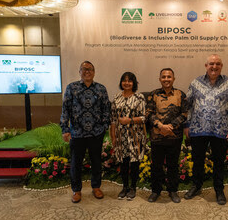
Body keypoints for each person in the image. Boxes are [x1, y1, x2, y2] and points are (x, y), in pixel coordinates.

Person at [184, 54, 228, 205]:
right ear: (206, 66)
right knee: (197, 161)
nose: (214, 67)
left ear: (221, 66)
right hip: (198, 129)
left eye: (217, 64)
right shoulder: (195, 83)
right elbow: (187, 105)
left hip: (221, 131)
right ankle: (196, 186)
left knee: (219, 163)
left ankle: (219, 190)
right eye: (211, 64)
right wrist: (187, 125)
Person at [60, 61, 111, 203]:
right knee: (76, 163)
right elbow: (65, 110)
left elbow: (106, 109)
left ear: (94, 72)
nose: (87, 71)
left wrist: (105, 125)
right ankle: (76, 190)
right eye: (84, 69)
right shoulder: (72, 88)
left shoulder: (101, 89)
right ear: (79, 71)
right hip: (77, 133)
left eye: (90, 69)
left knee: (96, 161)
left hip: (96, 133)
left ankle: (96, 187)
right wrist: (65, 129)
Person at [146, 68, 188, 203]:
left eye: (169, 77)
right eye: (163, 77)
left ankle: (173, 190)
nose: (166, 79)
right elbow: (149, 114)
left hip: (174, 137)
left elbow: (185, 114)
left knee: (173, 165)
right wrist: (160, 126)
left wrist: (171, 126)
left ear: (173, 79)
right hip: (157, 137)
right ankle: (155, 191)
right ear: (160, 79)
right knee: (156, 166)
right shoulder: (153, 94)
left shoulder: (180, 94)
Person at [110, 72, 147, 201]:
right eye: (124, 80)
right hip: (121, 136)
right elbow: (113, 120)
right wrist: (113, 137)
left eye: (130, 81)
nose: (127, 83)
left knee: (134, 162)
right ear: (121, 82)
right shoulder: (116, 98)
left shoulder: (139, 97)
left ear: (134, 83)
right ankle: (124, 187)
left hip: (135, 135)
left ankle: (133, 187)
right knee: (123, 162)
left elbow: (143, 117)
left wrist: (129, 120)